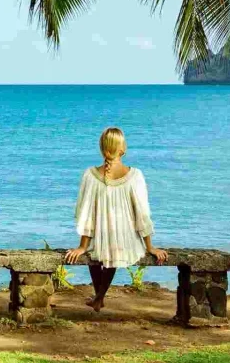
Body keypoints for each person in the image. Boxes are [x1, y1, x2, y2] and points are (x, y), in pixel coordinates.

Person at [65, 127, 166, 312]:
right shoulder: (135, 176)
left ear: (102, 148)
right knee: (105, 251)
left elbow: (87, 215)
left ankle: (99, 298)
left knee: (96, 252)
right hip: (127, 241)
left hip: (101, 240)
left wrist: (82, 246)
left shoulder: (90, 175)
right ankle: (98, 298)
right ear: (123, 148)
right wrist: (149, 246)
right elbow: (142, 214)